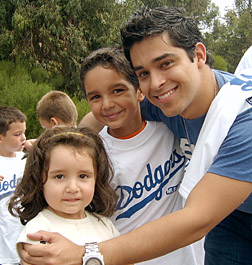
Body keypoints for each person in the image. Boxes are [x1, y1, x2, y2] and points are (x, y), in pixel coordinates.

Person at [18, 6, 252, 265]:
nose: (156, 83)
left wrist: (87, 254)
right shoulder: (165, 100)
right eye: (143, 73)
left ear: (198, 55)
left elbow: (197, 218)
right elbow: (108, 109)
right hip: (232, 218)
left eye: (166, 63)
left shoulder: (243, 119)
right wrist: (71, 144)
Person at [80, 46, 203, 265]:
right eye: (96, 97)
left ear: (139, 91)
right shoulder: (91, 156)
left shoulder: (171, 127)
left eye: (117, 90)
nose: (107, 104)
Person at [8, 126, 122, 264]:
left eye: (83, 176)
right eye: (60, 176)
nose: (73, 188)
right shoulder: (39, 230)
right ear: (39, 180)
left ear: (96, 179)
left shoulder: (105, 224)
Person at [0, 105, 27, 265]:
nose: (23, 137)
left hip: (23, 242)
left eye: (24, 132)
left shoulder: (25, 160)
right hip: (3, 250)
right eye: (17, 134)